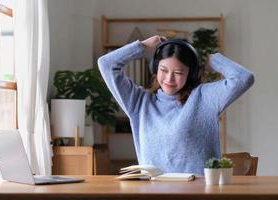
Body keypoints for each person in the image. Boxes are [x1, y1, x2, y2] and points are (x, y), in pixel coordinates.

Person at [98, 35, 254, 175]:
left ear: (191, 73)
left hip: (199, 193)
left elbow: (244, 78)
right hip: (153, 193)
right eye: (163, 70)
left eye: (178, 73)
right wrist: (143, 46)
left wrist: (215, 61)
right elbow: (106, 64)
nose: (169, 79)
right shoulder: (139, 102)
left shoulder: (205, 98)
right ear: (155, 68)